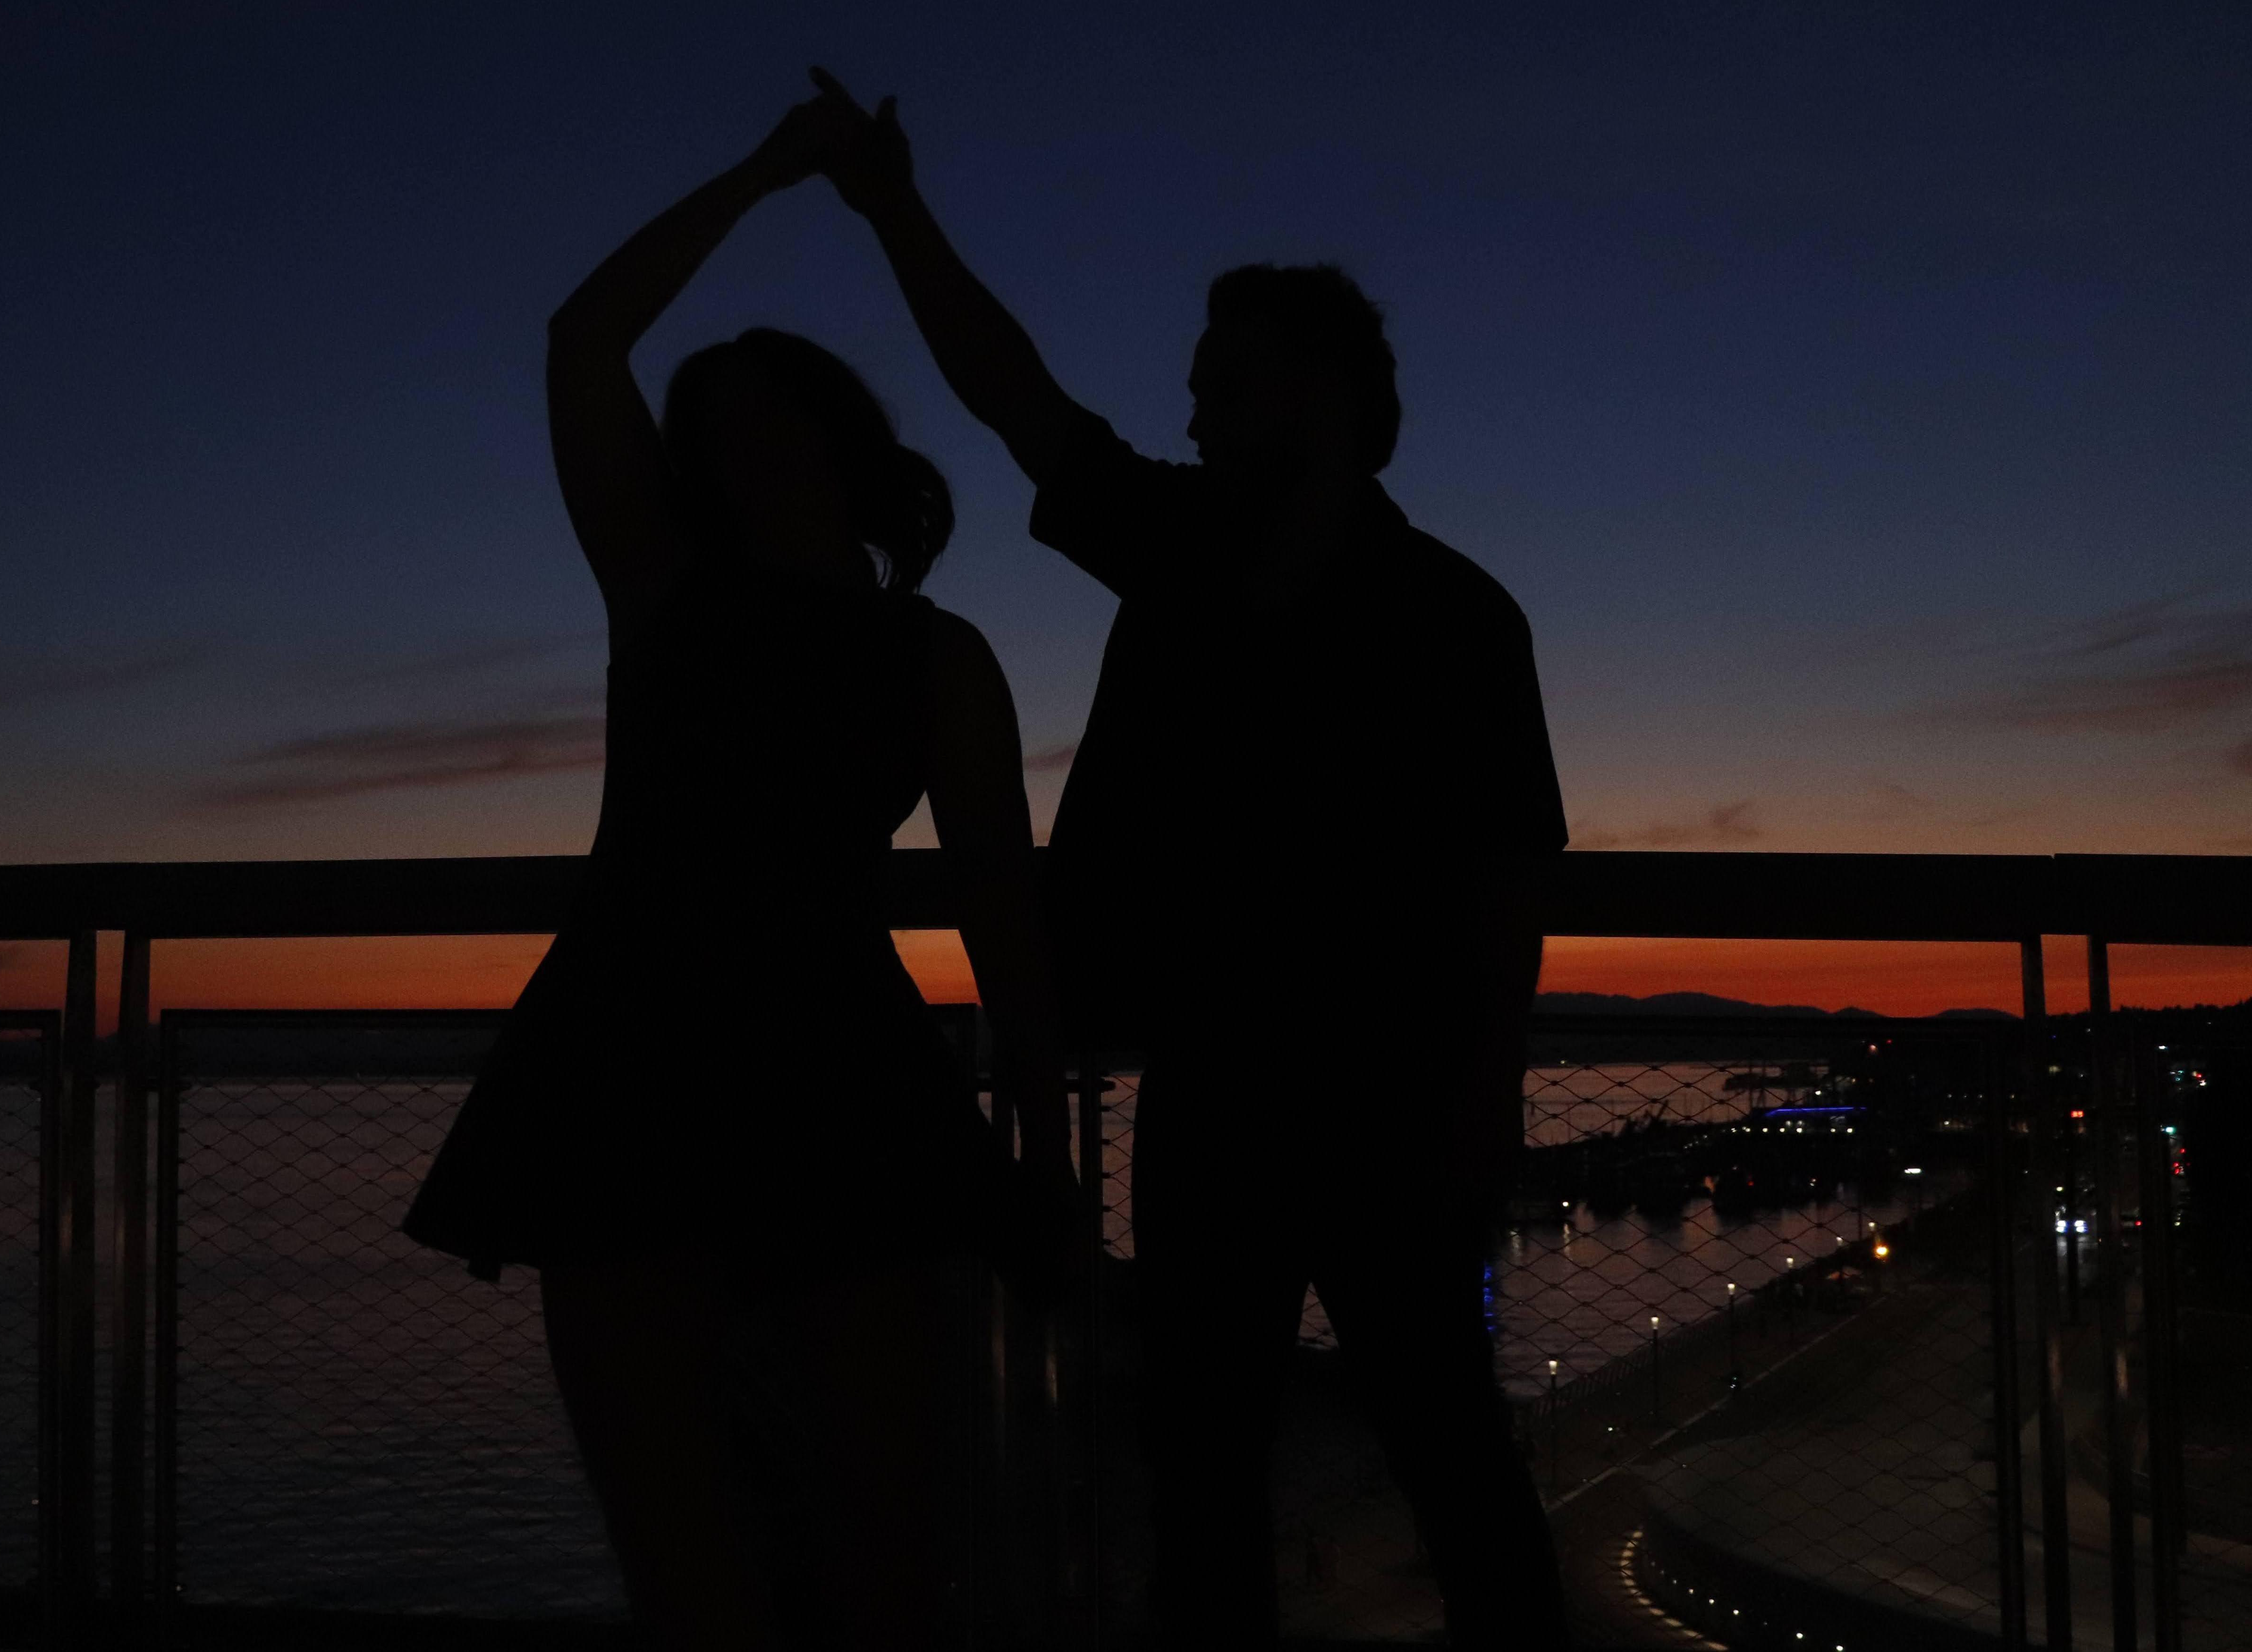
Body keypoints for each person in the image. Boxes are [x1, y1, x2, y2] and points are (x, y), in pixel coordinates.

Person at [807, 70, 1571, 1649]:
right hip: (1214, 1092)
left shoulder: (1453, 617)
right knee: (1210, 1475)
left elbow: (1509, 878)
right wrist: (892, 207)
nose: (1196, 409)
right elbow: (1009, 390)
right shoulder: (1190, 549)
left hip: (1386, 1105)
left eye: (1226, 379)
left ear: (1325, 393)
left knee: (1449, 1464)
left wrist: (1481, 1104)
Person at [401, 87, 1073, 1652]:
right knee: (680, 1554)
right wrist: (766, 175)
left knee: (885, 1544)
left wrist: (1044, 1146)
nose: (740, 447)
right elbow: (584, 338)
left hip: (838, 1074)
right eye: (714, 430)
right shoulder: (663, 586)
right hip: (626, 1066)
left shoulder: (937, 657)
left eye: (771, 418)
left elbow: (1003, 907)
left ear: (844, 444)